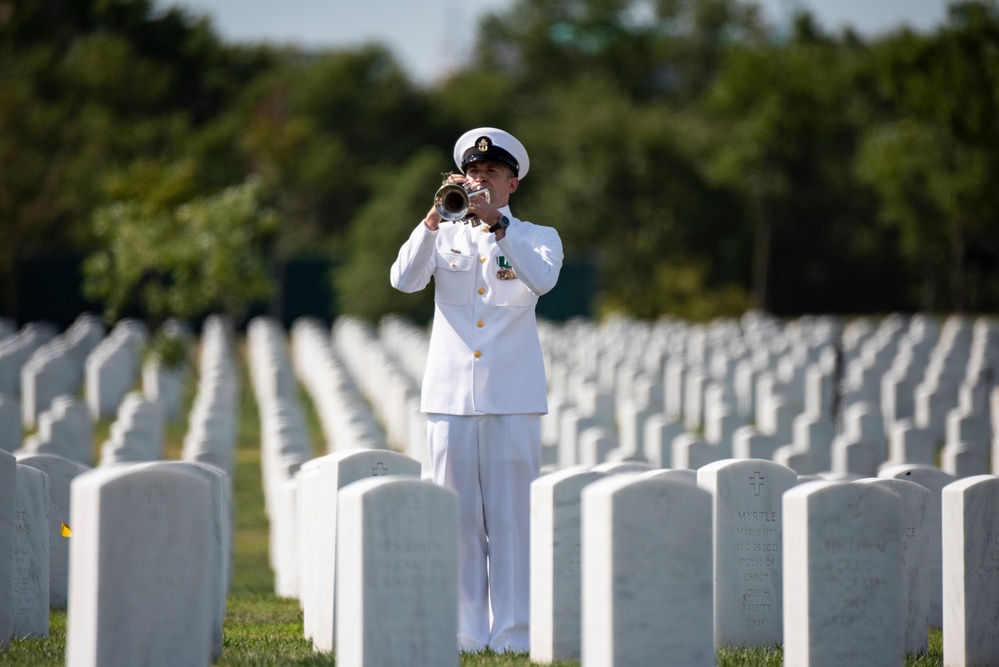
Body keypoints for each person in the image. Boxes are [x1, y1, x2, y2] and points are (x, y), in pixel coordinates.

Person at [390, 127, 563, 653]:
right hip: (450, 401)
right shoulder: (442, 233)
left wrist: (499, 226)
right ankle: (463, 632)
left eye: (491, 174)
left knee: (512, 523)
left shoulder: (537, 236)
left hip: (512, 401)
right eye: (474, 172)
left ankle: (513, 634)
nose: (481, 180)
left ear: (512, 183)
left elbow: (542, 280)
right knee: (456, 520)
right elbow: (403, 280)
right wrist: (433, 218)